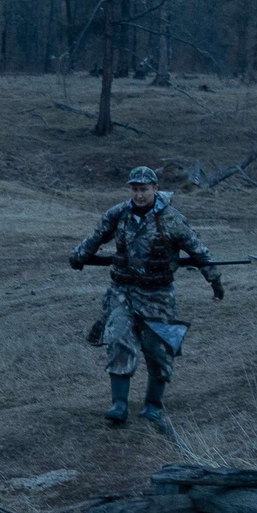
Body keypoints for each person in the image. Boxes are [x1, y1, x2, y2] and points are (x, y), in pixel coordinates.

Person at [70, 166, 222, 425]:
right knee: (119, 341)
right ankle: (118, 405)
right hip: (122, 293)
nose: (139, 195)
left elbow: (198, 251)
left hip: (158, 295)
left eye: (144, 189)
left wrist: (215, 280)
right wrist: (79, 256)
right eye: (135, 189)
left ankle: (153, 406)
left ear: (155, 188)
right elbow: (95, 237)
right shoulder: (118, 214)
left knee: (159, 350)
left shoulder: (172, 219)